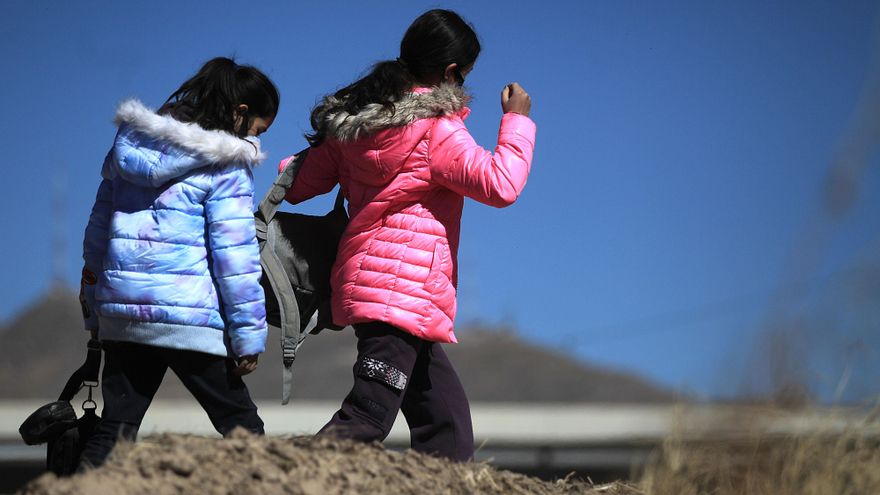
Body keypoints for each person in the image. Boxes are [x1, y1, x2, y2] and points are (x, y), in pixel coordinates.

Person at [280, 9, 536, 461]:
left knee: (448, 425)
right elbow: (501, 184)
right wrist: (516, 120)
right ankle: (289, 477)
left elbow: (298, 186)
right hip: (402, 295)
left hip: (376, 289)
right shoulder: (438, 131)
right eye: (465, 76)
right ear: (452, 73)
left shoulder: (356, 125)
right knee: (368, 415)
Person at [77, 57, 278, 468]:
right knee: (244, 429)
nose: (254, 142)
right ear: (240, 114)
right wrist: (247, 337)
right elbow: (234, 258)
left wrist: (94, 309)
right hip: (190, 319)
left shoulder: (130, 149)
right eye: (257, 132)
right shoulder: (227, 165)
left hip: (124, 317)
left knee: (113, 434)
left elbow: (96, 235)